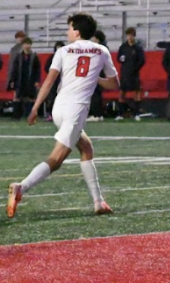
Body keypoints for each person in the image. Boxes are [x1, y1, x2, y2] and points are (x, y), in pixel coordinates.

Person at [8, 13, 118, 219]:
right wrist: (95, 78)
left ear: (77, 31)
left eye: (69, 28)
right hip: (75, 111)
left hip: (58, 108)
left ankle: (98, 201)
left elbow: (49, 81)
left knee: (86, 147)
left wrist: (35, 108)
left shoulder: (62, 51)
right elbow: (114, 84)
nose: (67, 32)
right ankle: (21, 187)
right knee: (56, 159)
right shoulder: (101, 51)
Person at [116, 27, 146, 119]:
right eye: (128, 35)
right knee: (122, 93)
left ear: (134, 36)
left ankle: (136, 114)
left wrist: (135, 68)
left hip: (134, 74)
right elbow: (118, 58)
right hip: (124, 73)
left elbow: (142, 60)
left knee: (136, 93)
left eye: (131, 35)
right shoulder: (123, 47)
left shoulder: (138, 48)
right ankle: (120, 114)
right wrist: (122, 61)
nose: (129, 37)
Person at [9, 38, 41, 120]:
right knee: (17, 97)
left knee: (30, 98)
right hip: (20, 79)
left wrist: (37, 80)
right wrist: (12, 80)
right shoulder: (18, 56)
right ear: (22, 45)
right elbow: (14, 69)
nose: (27, 46)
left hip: (30, 80)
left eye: (29, 44)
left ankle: (29, 115)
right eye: (26, 44)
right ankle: (16, 116)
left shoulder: (34, 56)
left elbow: (37, 70)